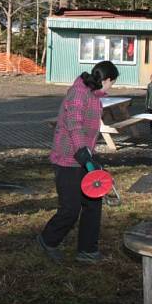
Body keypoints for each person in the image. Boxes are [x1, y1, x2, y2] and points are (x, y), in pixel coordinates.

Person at [37, 60, 119, 264]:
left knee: (93, 202)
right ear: (106, 80)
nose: (112, 87)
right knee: (70, 209)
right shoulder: (78, 93)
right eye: (112, 83)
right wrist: (83, 152)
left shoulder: (94, 97)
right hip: (66, 158)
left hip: (83, 157)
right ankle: (48, 240)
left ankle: (87, 250)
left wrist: (90, 155)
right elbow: (74, 124)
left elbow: (90, 130)